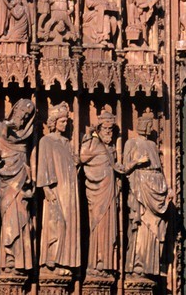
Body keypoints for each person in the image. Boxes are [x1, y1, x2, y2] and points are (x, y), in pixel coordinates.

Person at [120, 118, 172, 277]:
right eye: (148, 125)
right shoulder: (131, 143)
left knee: (155, 227)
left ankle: (151, 265)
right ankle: (138, 264)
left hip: (156, 187)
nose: (150, 128)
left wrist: (167, 188)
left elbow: (160, 169)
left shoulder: (152, 145)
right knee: (142, 225)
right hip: (140, 188)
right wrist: (138, 161)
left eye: (151, 125)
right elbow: (124, 168)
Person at [37, 109, 83, 274]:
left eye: (66, 122)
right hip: (56, 188)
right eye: (62, 121)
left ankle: (64, 261)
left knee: (69, 224)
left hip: (70, 189)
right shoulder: (46, 141)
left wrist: (75, 164)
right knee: (56, 222)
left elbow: (69, 168)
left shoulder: (66, 143)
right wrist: (45, 188)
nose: (65, 124)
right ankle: (52, 259)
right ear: (53, 122)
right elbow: (42, 166)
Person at [0, 98, 38, 272]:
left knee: (22, 216)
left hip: (22, 178)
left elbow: (32, 156)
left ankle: (21, 259)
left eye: (27, 115)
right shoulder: (3, 127)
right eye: (22, 112)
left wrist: (32, 178)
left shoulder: (29, 133)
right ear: (15, 109)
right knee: (9, 216)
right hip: (7, 179)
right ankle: (9, 256)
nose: (24, 117)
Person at [81, 116, 121, 275]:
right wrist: (89, 136)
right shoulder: (94, 145)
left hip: (110, 193)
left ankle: (106, 263)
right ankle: (95, 263)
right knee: (97, 226)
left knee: (109, 228)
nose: (109, 133)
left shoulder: (111, 150)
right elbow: (82, 156)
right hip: (97, 194)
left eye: (111, 130)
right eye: (105, 129)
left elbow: (117, 168)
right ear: (98, 130)